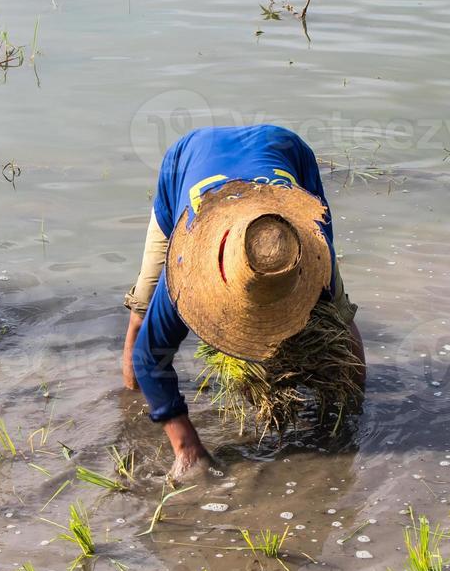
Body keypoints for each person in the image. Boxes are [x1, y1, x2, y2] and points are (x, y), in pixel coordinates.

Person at [120, 124, 364, 482]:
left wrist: (354, 417)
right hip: (189, 162)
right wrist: (186, 447)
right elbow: (147, 356)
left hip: (282, 151)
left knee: (337, 315)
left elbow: (344, 335)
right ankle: (128, 408)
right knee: (143, 317)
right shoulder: (187, 274)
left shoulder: (310, 254)